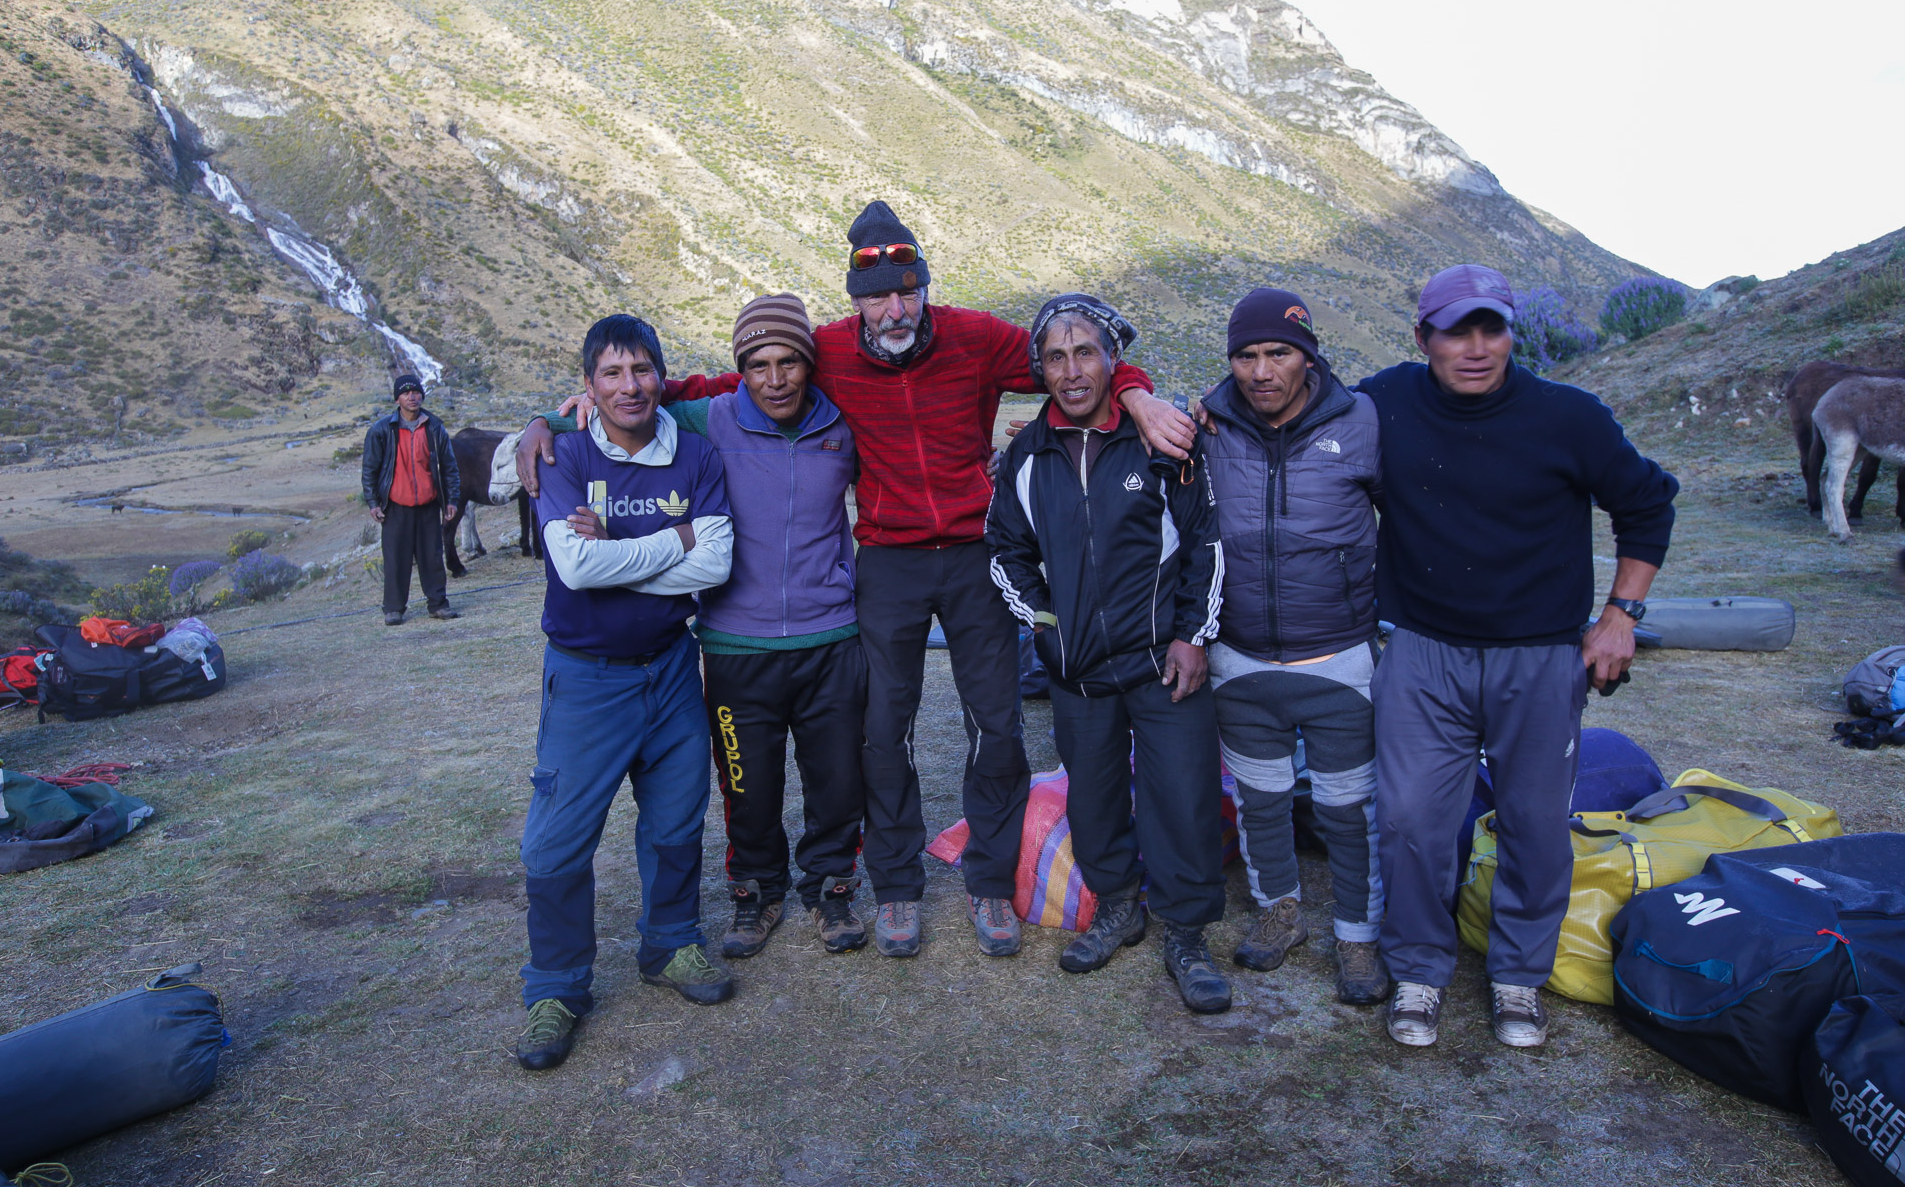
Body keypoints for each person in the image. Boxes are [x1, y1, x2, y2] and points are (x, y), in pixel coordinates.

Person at [517, 200, 1195, 959]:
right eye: (877, 296)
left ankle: (991, 882)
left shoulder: (976, 337)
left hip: (975, 553)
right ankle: (898, 885)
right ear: (854, 302)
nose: (895, 308)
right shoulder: (827, 352)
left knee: (996, 726)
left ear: (925, 288)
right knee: (883, 729)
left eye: (908, 290)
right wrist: (552, 416)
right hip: (888, 558)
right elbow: (686, 388)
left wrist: (1134, 389)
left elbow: (1074, 359)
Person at [1358, 264, 1678, 1049]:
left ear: (1510, 332)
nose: (1475, 348)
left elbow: (1647, 502)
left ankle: (1518, 977)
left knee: (1535, 823)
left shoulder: (1568, 417)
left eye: (1490, 328)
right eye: (1455, 332)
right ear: (1422, 339)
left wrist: (1620, 618)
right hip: (1422, 650)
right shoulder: (1380, 403)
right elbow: (1281, 401)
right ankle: (1420, 972)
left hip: (1539, 657)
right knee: (1408, 822)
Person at [535, 294, 871, 959]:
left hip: (830, 636)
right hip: (734, 646)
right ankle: (756, 893)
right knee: (747, 785)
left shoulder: (844, 422)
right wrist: (540, 424)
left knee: (837, 779)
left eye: (789, 362)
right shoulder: (708, 419)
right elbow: (626, 405)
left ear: (810, 364)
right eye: (757, 364)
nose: (774, 379)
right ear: (739, 369)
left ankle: (832, 892)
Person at [985, 295, 1232, 1014]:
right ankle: (1120, 907)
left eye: (1084, 352)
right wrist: (1046, 624)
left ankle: (1186, 933)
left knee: (1182, 799)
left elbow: (1206, 544)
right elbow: (1007, 552)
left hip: (1164, 664)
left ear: (1112, 360)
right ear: (1041, 368)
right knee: (1093, 800)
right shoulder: (1027, 455)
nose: (1070, 370)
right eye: (1055, 357)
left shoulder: (1161, 440)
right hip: (1078, 670)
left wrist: (1193, 637)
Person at [515, 314, 736, 1073]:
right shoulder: (564, 455)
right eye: (611, 373)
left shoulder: (697, 455)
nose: (629, 386)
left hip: (672, 665)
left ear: (661, 377)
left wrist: (619, 550)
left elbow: (713, 565)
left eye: (641, 370)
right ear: (588, 386)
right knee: (558, 838)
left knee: (677, 817)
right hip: (586, 676)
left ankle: (671, 944)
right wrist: (672, 541)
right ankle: (554, 987)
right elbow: (574, 568)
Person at [1197, 288, 1389, 1006]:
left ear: (1307, 354)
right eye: (1245, 355)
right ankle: (1280, 913)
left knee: (1349, 808)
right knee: (1260, 801)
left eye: (1278, 352)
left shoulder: (1363, 421)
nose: (1261, 370)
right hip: (1240, 657)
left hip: (1338, 656)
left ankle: (1357, 936)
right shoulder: (1207, 425)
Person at [360, 374, 460, 624]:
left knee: (432, 558)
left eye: (416, 392)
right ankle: (393, 609)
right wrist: (373, 502)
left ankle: (438, 604)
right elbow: (370, 469)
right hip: (395, 506)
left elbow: (449, 467)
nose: (412, 397)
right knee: (396, 558)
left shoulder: (435, 427)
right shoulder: (382, 430)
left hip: (428, 504)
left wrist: (451, 499)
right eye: (406, 393)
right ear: (397, 399)